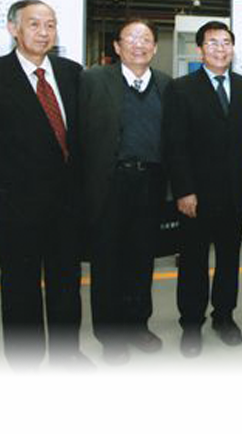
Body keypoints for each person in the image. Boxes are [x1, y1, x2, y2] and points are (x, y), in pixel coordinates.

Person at [0, 0, 89, 369]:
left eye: (50, 24)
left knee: (66, 284)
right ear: (13, 28)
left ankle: (67, 356)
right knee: (20, 289)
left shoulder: (71, 72)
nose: (44, 32)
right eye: (34, 24)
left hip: (67, 207)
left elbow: (81, 140)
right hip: (17, 209)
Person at [79, 18, 171, 365]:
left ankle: (137, 325)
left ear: (155, 48)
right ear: (117, 46)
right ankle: (110, 336)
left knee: (141, 260)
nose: (138, 44)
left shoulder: (166, 85)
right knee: (107, 263)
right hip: (109, 185)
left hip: (150, 184)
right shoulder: (93, 80)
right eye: (130, 38)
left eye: (145, 38)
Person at [163, 21, 242, 358]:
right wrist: (184, 191)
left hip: (234, 195)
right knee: (193, 262)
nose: (220, 48)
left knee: (229, 260)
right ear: (200, 49)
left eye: (226, 42)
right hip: (196, 196)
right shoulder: (181, 88)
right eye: (213, 42)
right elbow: (175, 145)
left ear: (233, 48)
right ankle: (191, 323)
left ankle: (224, 316)